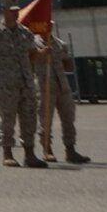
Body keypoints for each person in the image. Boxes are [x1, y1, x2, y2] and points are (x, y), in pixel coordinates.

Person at [0, 3, 46, 168]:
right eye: (12, 11)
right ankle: (8, 153)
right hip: (6, 83)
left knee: (29, 118)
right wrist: (1, 72)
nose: (16, 14)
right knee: (8, 118)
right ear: (3, 12)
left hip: (26, 82)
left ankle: (30, 154)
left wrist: (40, 54)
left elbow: (32, 53)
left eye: (17, 11)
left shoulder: (25, 32)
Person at [37, 32, 89, 165]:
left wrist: (64, 63)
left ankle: (70, 150)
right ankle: (47, 149)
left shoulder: (60, 43)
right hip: (45, 86)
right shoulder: (33, 43)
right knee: (46, 119)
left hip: (62, 85)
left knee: (68, 118)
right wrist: (42, 53)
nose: (48, 27)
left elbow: (67, 63)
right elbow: (29, 59)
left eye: (50, 24)